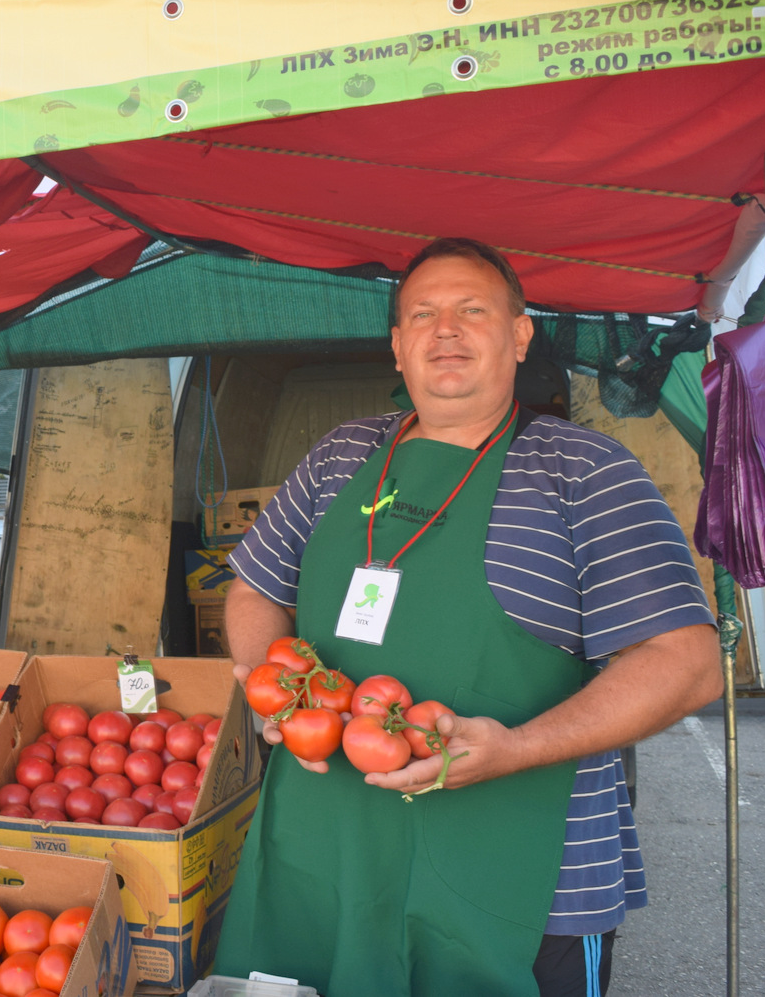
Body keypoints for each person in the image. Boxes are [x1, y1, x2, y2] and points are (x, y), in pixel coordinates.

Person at [212, 238, 722, 997]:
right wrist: (271, 692)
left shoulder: (585, 471)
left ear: (520, 336)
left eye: (471, 310)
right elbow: (254, 588)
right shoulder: (338, 457)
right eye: (422, 314)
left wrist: (516, 747)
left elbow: (686, 663)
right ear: (397, 346)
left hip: (524, 874)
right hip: (326, 854)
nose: (444, 329)